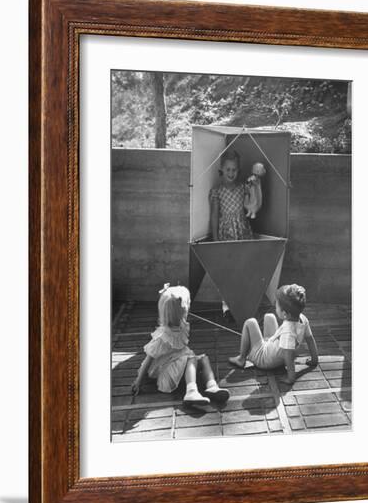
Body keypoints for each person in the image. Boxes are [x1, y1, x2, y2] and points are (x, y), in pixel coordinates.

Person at [132, 284, 230, 405]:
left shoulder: (182, 326)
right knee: (191, 359)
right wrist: (138, 381)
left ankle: (212, 386)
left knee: (204, 358)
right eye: (185, 308)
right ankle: (191, 392)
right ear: (181, 311)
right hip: (166, 371)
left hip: (177, 361)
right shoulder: (162, 337)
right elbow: (148, 359)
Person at [228, 284, 318, 384]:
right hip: (278, 356)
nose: (275, 307)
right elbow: (310, 340)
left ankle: (241, 358)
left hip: (263, 359)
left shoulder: (288, 333)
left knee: (250, 322)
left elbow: (288, 355)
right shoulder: (303, 319)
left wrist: (291, 378)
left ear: (284, 314)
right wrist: (314, 360)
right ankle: (264, 343)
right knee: (269, 316)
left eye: (277, 305)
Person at [209, 151, 253, 321]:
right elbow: (214, 215)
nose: (231, 173)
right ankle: (227, 306)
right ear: (221, 169)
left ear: (238, 170)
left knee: (243, 269)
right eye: (228, 169)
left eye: (234, 169)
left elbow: (253, 201)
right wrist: (214, 238)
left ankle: (242, 303)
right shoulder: (217, 191)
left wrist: (256, 184)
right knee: (227, 271)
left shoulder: (242, 187)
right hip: (226, 234)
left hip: (242, 232)